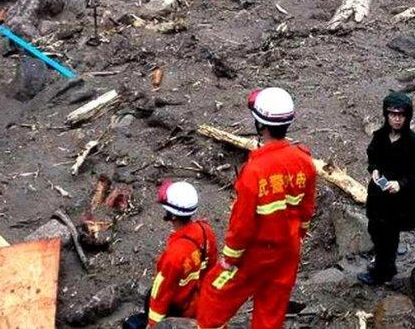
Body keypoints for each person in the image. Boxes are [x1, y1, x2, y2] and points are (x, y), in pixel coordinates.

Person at [197, 87, 317, 329]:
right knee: (271, 309)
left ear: (260, 125)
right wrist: (297, 234)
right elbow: (306, 209)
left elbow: (242, 224)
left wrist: (230, 258)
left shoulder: (255, 171)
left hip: (256, 253)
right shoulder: (304, 161)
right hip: (288, 250)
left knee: (213, 294)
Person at [358, 92, 415, 285]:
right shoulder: (380, 136)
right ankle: (386, 254)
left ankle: (383, 272)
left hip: (401, 203)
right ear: (386, 115)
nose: (397, 119)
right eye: (393, 114)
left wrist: (401, 184)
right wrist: (374, 170)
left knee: (387, 236)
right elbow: (372, 156)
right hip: (378, 196)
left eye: (401, 115)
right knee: (375, 229)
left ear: (408, 116)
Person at [125, 181, 218, 328]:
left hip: (179, 308)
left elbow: (162, 292)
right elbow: (211, 269)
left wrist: (153, 324)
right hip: (198, 301)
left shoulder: (174, 254)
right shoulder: (206, 231)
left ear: (173, 216)